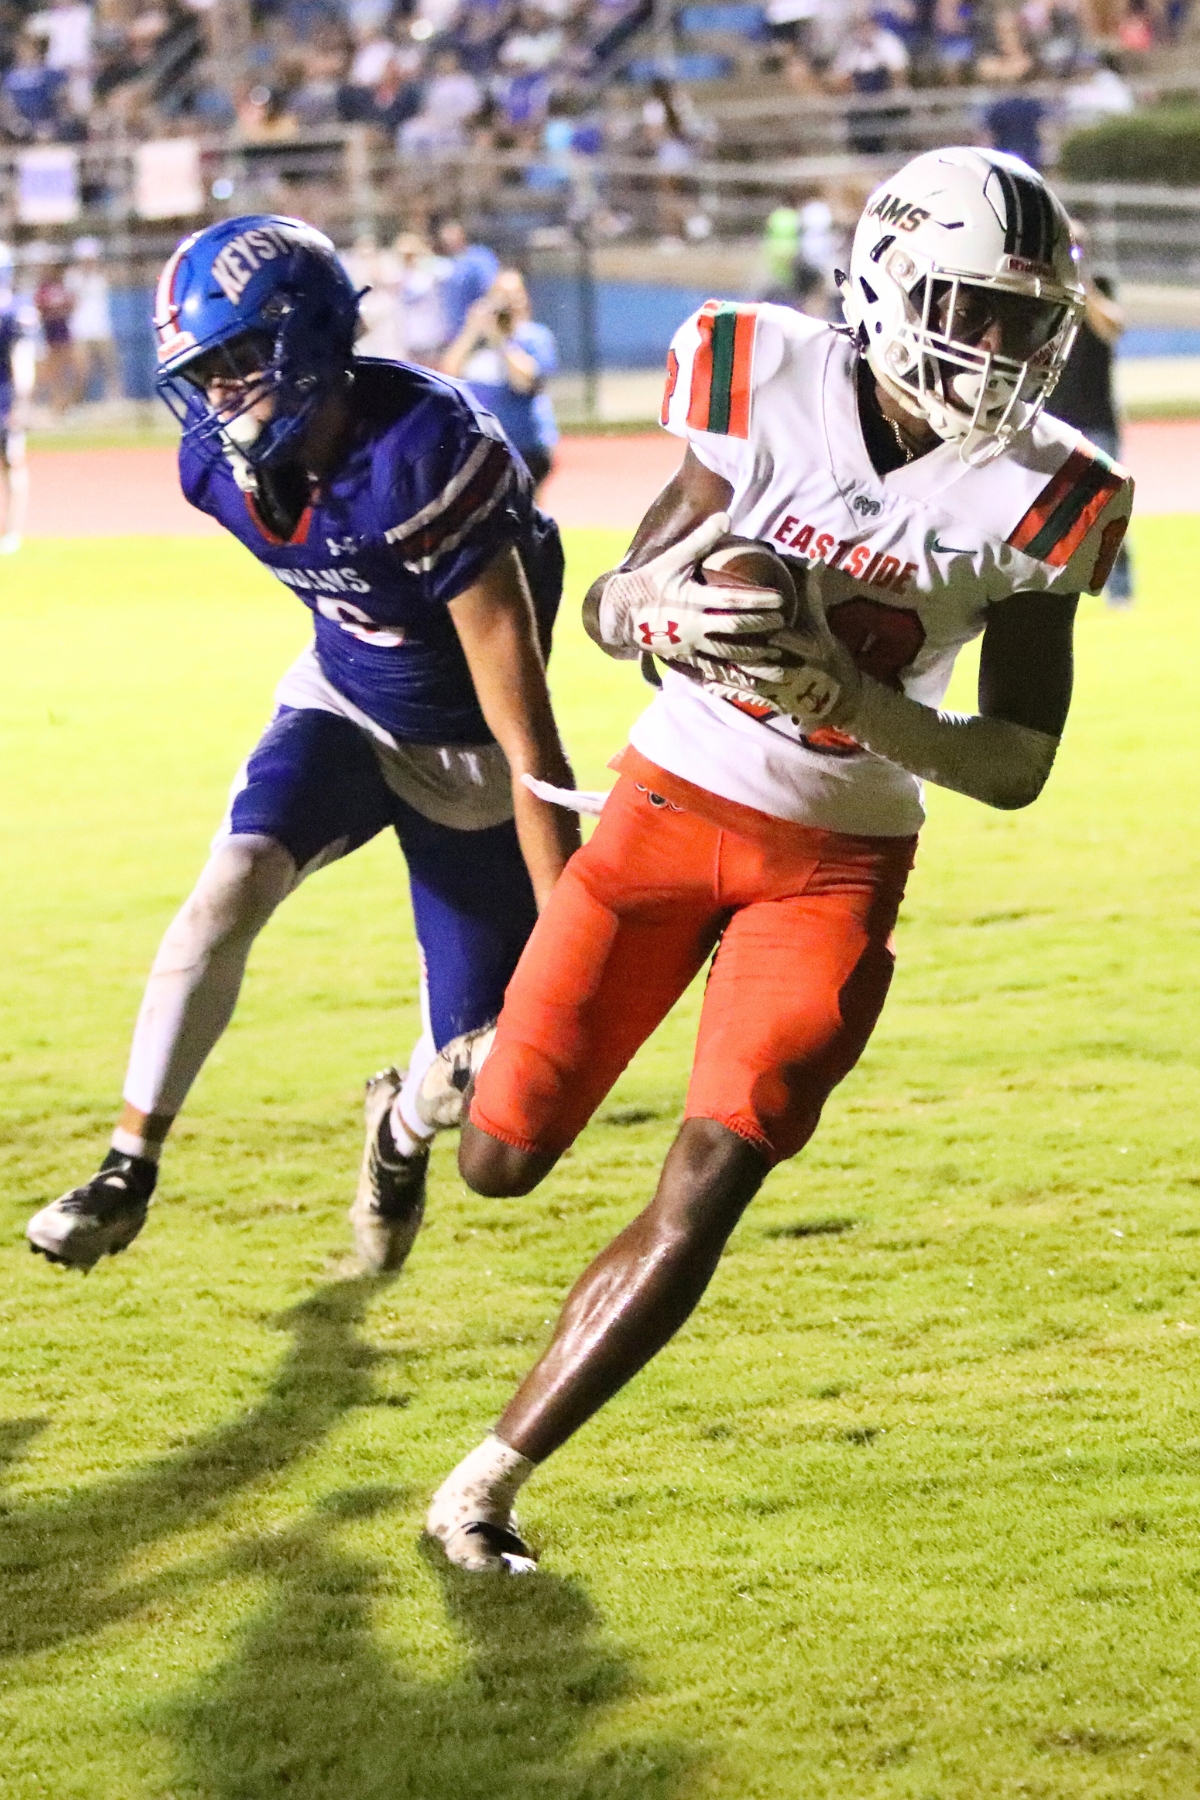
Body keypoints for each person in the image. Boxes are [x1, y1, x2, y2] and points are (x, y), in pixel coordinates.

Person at [424, 148, 1134, 1573]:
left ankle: (481, 1490)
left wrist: (855, 706)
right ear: (881, 281)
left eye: (1019, 320)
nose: (993, 350)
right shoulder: (761, 373)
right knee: (498, 1162)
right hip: (668, 810)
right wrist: (660, 607)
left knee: (714, 1170)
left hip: (838, 861)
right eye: (965, 308)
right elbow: (613, 612)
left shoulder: (1050, 494)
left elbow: (1017, 761)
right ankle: (436, 1087)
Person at [26, 214, 579, 1274]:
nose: (223, 394)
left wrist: (571, 936)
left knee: (480, 1074)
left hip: (468, 750)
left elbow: (529, 740)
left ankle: (399, 1126)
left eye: (244, 361)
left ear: (315, 339)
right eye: (209, 370)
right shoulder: (216, 471)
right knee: (228, 881)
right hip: (340, 700)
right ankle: (125, 1168)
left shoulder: (425, 455)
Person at [1049, 260, 1133, 606]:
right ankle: (1052, 592)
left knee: (1110, 508)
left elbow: (1112, 327)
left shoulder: (1099, 286)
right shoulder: (1047, 290)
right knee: (1048, 511)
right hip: (1055, 420)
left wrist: (1083, 287)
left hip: (1097, 419)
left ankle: (1121, 592)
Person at [440, 269, 558, 492]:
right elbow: (449, 372)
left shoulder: (534, 337)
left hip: (524, 443)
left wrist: (500, 340)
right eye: (499, 295)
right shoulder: (476, 340)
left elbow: (524, 382)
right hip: (482, 445)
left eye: (512, 295)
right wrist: (472, 330)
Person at [0, 243, 37, 555]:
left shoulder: (13, 314)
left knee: (12, 464)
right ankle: (10, 532)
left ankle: (10, 532)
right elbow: (22, 364)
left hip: (4, 401)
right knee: (12, 466)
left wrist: (20, 403)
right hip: (5, 401)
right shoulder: (15, 311)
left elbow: (21, 363)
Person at [66, 237, 121, 404]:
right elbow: (72, 302)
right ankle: (77, 402)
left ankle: (115, 401)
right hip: (80, 328)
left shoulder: (101, 275)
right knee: (82, 371)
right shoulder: (72, 276)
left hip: (101, 327)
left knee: (110, 367)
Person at [432, 217, 500, 350]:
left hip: (477, 338)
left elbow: (493, 289)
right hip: (453, 337)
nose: (448, 239)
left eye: (452, 233)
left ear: (461, 234)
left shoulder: (478, 258)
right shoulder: (450, 261)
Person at [34, 259, 75, 413]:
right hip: (50, 331)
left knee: (67, 367)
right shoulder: (43, 289)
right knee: (52, 368)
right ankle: (55, 401)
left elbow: (71, 304)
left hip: (63, 329)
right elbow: (40, 308)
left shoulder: (63, 287)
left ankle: (64, 402)